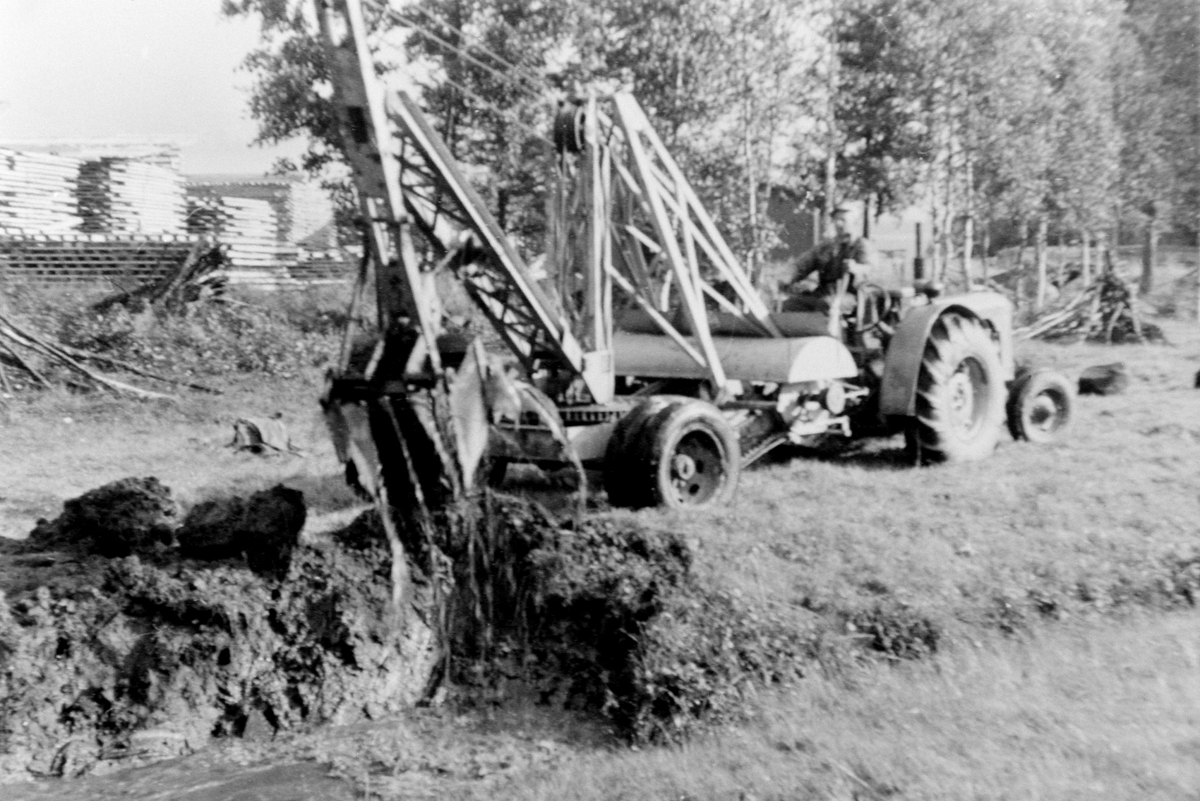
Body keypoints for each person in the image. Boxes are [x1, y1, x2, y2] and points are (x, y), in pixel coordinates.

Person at [781, 201, 873, 315]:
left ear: (854, 222)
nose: (838, 223)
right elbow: (803, 265)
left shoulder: (862, 245)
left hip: (851, 295)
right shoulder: (826, 246)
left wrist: (856, 268)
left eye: (843, 220)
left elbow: (870, 269)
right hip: (824, 293)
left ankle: (831, 333)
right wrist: (787, 277)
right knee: (791, 304)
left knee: (827, 304)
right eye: (836, 220)